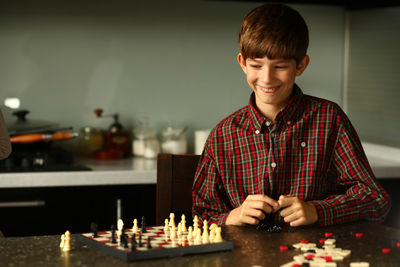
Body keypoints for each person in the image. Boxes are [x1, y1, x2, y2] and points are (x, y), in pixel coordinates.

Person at [192, 3, 391, 227]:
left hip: (315, 255)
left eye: (279, 67)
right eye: (256, 65)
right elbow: (202, 213)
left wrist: (318, 210)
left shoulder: (329, 119)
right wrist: (232, 216)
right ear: (242, 63)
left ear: (301, 65)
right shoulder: (223, 134)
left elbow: (375, 199)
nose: (266, 78)